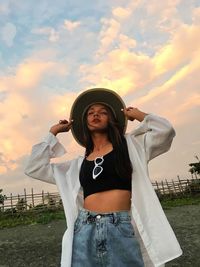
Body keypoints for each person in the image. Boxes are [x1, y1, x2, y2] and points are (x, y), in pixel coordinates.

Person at [25, 88, 182, 267]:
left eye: (103, 112)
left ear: (112, 119)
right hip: (84, 228)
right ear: (85, 122)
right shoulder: (76, 165)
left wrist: (138, 114)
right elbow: (34, 167)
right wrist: (52, 132)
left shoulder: (132, 146)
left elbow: (165, 130)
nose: (95, 115)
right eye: (90, 113)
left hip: (120, 226)